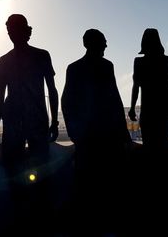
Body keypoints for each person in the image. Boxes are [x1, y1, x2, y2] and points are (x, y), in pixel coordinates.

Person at [0, 14, 59, 234]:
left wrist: (55, 121)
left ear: (25, 31)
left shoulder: (41, 56)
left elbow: (52, 89)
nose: (12, 33)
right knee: (16, 176)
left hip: (36, 121)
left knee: (41, 175)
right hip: (16, 123)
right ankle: (25, 221)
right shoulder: (4, 61)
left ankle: (39, 221)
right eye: (9, 29)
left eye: (15, 29)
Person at [61, 29, 131, 234]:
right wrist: (123, 131)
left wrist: (74, 131)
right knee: (103, 182)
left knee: (90, 182)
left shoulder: (76, 68)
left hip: (92, 136)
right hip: (102, 135)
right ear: (92, 44)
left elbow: (67, 101)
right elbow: (115, 100)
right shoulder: (104, 67)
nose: (106, 45)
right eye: (103, 42)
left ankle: (89, 224)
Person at [128, 28, 168, 152]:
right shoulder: (166, 60)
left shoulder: (139, 62)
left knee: (149, 147)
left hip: (148, 110)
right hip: (163, 110)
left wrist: (133, 108)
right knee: (164, 146)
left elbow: (136, 86)